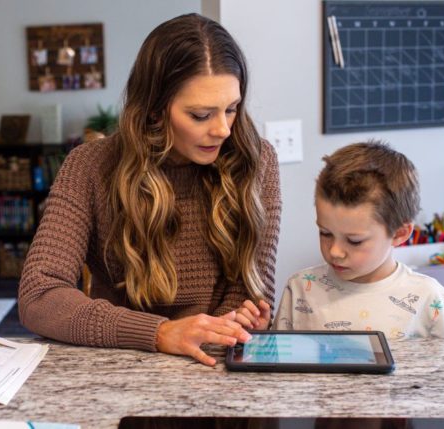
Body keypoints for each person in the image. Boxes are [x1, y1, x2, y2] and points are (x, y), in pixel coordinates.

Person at [18, 13, 282, 366]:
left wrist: (237, 321)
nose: (223, 130)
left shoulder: (257, 160)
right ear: (155, 111)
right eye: (201, 115)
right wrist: (159, 333)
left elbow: (250, 293)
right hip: (119, 362)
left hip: (214, 364)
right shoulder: (89, 166)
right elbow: (39, 296)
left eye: (231, 109)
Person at [274, 141, 444, 339]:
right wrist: (257, 337)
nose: (334, 251)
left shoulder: (429, 298)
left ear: (399, 233)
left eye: (354, 241)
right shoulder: (300, 289)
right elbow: (275, 362)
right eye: (325, 233)